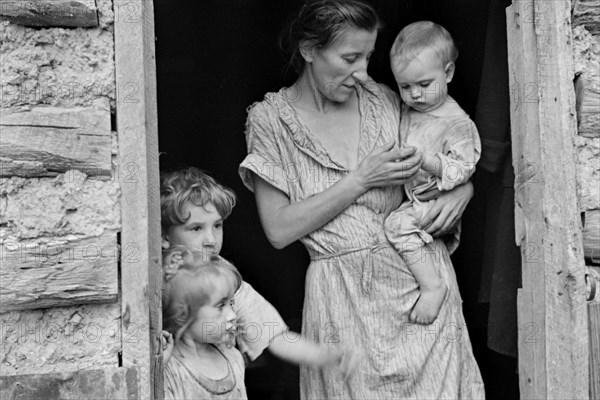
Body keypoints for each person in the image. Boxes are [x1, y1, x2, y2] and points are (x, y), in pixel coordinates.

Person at [238, 0, 484, 398]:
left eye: (368, 57)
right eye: (350, 58)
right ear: (308, 50)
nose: (363, 72)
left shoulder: (387, 100)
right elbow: (279, 229)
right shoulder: (270, 121)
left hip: (423, 297)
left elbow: (447, 149)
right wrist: (360, 180)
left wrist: (464, 189)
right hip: (342, 304)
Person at [160, 167, 357, 374]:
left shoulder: (225, 280)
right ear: (164, 237)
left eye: (217, 226)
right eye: (196, 228)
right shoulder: (157, 278)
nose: (210, 240)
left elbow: (272, 334)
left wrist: (320, 355)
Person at [382, 21, 481, 324]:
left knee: (397, 226)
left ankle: (433, 286)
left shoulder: (457, 122)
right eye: (405, 87)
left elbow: (462, 168)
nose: (414, 94)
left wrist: (426, 161)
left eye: (424, 85)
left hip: (434, 203)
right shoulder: (409, 110)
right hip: (413, 198)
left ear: (448, 73)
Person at [162, 248, 247, 399]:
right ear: (183, 315)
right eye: (221, 305)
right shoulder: (171, 370)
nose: (232, 315)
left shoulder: (233, 358)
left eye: (231, 303)